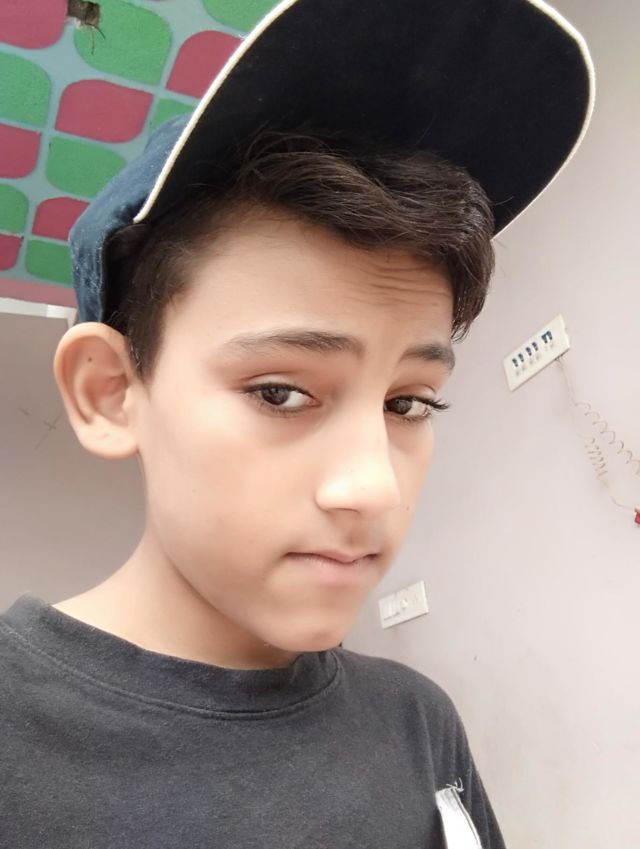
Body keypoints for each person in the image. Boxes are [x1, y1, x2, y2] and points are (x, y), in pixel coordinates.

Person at [0, 1, 593, 846]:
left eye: (407, 402)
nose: (372, 487)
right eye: (281, 392)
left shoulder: (419, 722)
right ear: (110, 391)